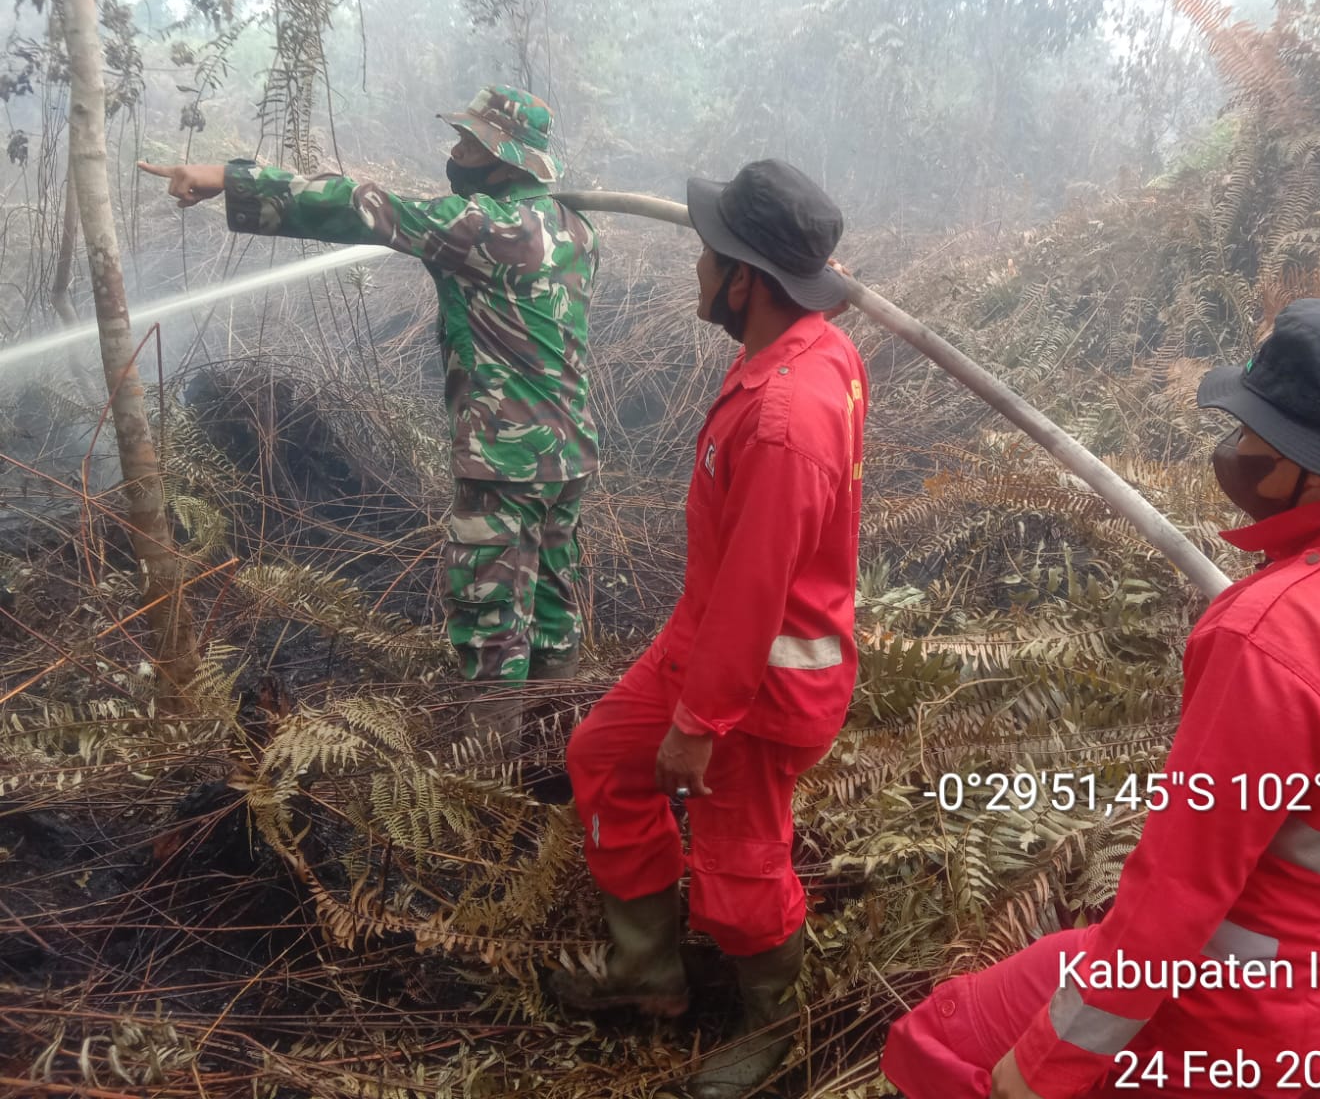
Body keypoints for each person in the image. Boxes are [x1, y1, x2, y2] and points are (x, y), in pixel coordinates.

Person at [881, 298, 1320, 1099]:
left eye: (1250, 432)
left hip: (1236, 1015)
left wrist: (1035, 1075)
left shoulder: (1277, 632)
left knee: (939, 1042)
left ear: (1313, 463)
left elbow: (1173, 900)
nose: (1235, 451)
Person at [139, 86, 599, 736]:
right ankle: (559, 754)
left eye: (469, 144)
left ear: (502, 160)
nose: (456, 152)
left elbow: (361, 206)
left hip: (505, 460)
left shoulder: (483, 228)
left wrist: (228, 179)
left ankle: (491, 771)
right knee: (553, 609)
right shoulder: (576, 229)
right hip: (568, 456)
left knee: (492, 622)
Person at [549, 159, 868, 1099]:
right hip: (708, 645)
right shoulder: (805, 348)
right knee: (604, 759)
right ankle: (648, 972)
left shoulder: (784, 420)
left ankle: (774, 1022)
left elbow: (756, 594)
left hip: (759, 685)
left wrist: (698, 723)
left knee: (740, 860)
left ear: (746, 283)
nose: (696, 266)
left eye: (708, 253)